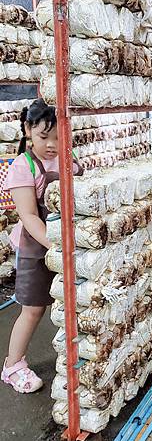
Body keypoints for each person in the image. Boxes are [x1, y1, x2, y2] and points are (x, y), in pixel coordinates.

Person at [1, 99, 83, 394]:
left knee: (72, 305)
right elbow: (30, 217)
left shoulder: (68, 160)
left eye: (59, 137)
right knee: (32, 309)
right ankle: (12, 366)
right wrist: (56, 247)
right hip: (36, 247)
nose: (51, 144)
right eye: (43, 137)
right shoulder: (24, 166)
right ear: (27, 130)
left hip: (66, 244)